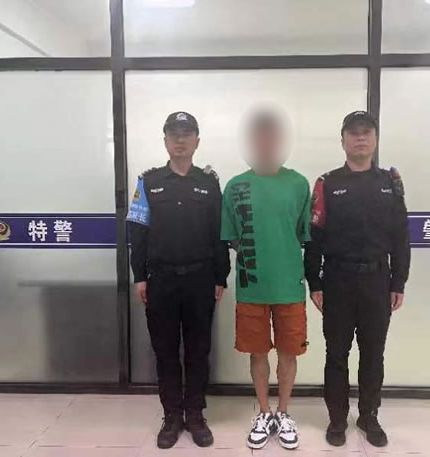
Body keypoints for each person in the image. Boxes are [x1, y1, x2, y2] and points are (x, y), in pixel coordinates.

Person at [304, 111, 410, 448]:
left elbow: (401, 237)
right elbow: (314, 238)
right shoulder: (327, 183)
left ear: (375, 139)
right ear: (343, 141)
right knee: (336, 353)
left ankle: (368, 415)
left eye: (366, 132)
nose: (360, 138)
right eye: (353, 133)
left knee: (373, 353)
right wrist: (314, 282)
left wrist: (398, 282)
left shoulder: (389, 183)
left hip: (377, 281)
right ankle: (337, 418)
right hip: (337, 280)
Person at [127, 111, 230, 449]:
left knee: (199, 350)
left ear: (197, 141)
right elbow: (137, 232)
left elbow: (219, 233)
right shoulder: (148, 182)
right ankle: (172, 416)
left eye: (186, 134)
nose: (180, 140)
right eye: (174, 134)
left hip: (201, 279)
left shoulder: (209, 183)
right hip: (162, 280)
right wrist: (140, 276)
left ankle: (195, 415)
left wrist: (220, 276)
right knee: (166, 351)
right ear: (165, 141)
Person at [221, 109, 311, 451]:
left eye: (272, 135)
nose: (266, 141)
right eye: (259, 135)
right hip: (252, 286)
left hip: (289, 286)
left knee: (289, 353)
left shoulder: (299, 184)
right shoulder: (235, 187)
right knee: (257, 353)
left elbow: (304, 235)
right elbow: (231, 238)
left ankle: (283, 413)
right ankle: (263, 413)